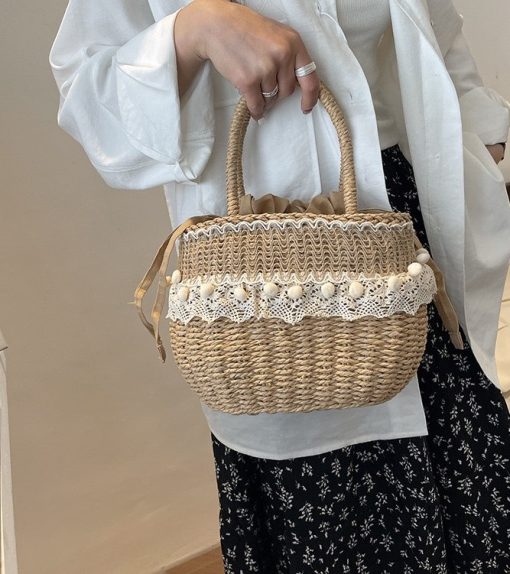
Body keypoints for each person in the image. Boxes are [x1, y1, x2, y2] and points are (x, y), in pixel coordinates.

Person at [49, 0, 510, 571]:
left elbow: (434, 29)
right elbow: (89, 102)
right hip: (264, 280)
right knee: (324, 509)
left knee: (466, 483)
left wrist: (488, 137)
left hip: (409, 247)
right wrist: (192, 31)